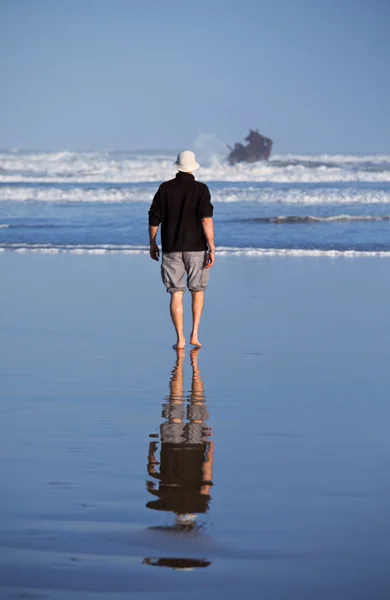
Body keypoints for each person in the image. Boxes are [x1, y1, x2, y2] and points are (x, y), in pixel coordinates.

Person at [148, 150, 215, 349]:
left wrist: (152, 243)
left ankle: (180, 339)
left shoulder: (165, 188)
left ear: (177, 166)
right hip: (196, 248)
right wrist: (211, 246)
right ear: (193, 168)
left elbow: (153, 218)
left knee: (176, 293)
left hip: (171, 247)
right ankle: (194, 334)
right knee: (198, 290)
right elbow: (206, 219)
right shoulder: (201, 189)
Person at [146, 348, 213, 530]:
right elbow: (152, 472)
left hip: (195, 447)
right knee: (176, 404)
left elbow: (207, 476)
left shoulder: (200, 503)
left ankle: (190, 366)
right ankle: (190, 365)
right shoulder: (165, 500)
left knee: (194, 406)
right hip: (171, 446)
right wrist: (152, 447)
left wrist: (210, 446)